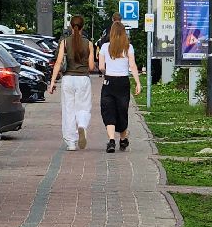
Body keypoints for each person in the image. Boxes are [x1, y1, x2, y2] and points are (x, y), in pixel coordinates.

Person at [48, 15, 95, 151]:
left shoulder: (64, 42)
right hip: (83, 79)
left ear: (70, 26)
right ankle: (81, 125)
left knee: (68, 110)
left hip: (68, 79)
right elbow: (92, 67)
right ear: (83, 27)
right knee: (84, 107)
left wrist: (52, 82)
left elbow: (58, 63)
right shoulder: (89, 44)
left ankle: (71, 143)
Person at [99, 14, 142, 153]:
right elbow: (133, 66)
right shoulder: (129, 48)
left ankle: (111, 141)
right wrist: (138, 82)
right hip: (123, 82)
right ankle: (123, 139)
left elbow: (100, 67)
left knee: (108, 109)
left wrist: (107, 70)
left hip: (109, 81)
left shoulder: (105, 47)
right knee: (122, 111)